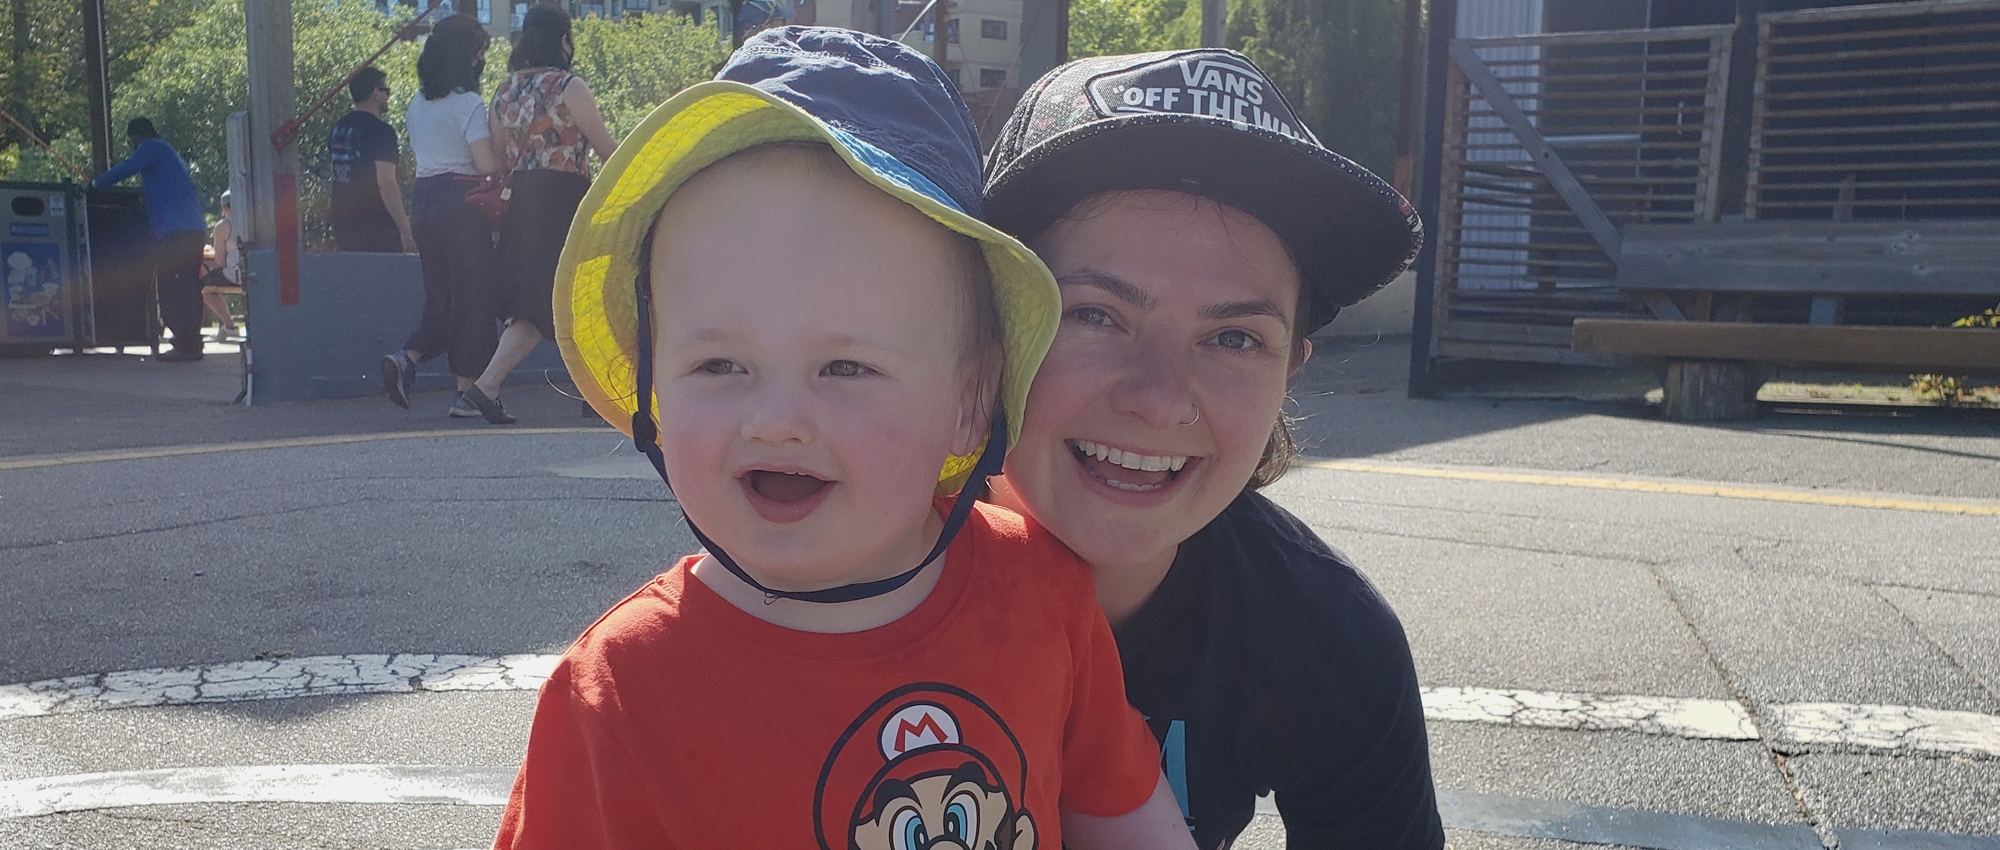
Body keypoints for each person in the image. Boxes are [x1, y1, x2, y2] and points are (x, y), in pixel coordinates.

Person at [494, 28, 1194, 850]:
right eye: (719, 363)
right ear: (654, 388)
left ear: (973, 402)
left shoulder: (1042, 594)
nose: (776, 418)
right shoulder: (617, 692)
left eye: (847, 368)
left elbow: (1122, 816)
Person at [981, 50, 1445, 849]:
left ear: (1288, 375)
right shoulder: (818, 581)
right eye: (1093, 314)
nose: (1160, 399)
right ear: (986, 323)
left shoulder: (1324, 640)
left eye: (1233, 338)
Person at [456, 5, 615, 425]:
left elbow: (493, 157)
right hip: (564, 200)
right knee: (555, 299)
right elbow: (605, 148)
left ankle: (589, 392)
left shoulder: (503, 91)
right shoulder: (569, 86)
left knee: (551, 299)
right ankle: (487, 386)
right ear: (563, 40)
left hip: (521, 200)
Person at [380, 15, 501, 416]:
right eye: (478, 53)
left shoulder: (417, 103)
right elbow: (484, 164)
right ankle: (467, 392)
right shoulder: (468, 104)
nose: (481, 60)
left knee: (441, 298)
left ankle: (407, 357)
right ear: (467, 57)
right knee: (473, 300)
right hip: (461, 201)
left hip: (425, 200)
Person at [92, 117, 209, 362]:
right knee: (188, 286)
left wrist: (96, 184)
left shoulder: (151, 148)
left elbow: (125, 168)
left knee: (172, 287)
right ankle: (192, 344)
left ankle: (185, 345)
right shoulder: (168, 151)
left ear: (136, 137)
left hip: (176, 231)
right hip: (193, 228)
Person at [328, 65, 417, 254]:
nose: (388, 96)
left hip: (344, 224)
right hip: (377, 227)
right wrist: (405, 230)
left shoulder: (339, 128)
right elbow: (386, 183)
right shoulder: (382, 132)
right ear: (375, 93)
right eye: (386, 90)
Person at [200, 190, 242, 342]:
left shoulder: (223, 225)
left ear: (225, 208)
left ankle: (230, 326)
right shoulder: (255, 221)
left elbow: (220, 262)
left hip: (235, 275)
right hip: (259, 271)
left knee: (203, 285)